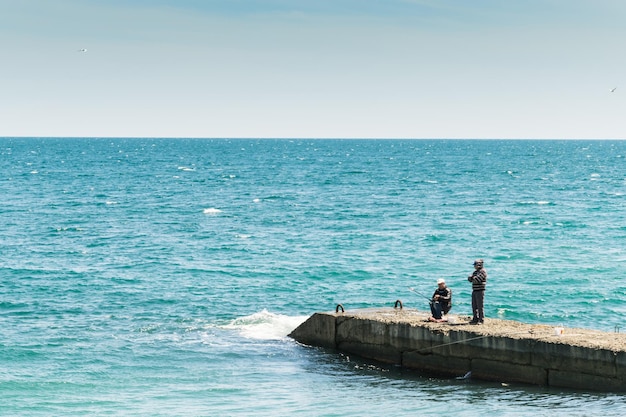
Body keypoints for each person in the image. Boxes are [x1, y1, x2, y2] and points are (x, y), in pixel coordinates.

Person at [468, 259, 487, 324]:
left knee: (479, 306)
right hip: (475, 290)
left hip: (480, 290)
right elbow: (470, 279)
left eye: (475, 265)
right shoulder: (475, 272)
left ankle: (481, 319)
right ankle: (475, 318)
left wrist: (472, 278)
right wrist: (472, 278)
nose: (474, 266)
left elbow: (477, 279)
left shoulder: (483, 272)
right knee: (474, 305)